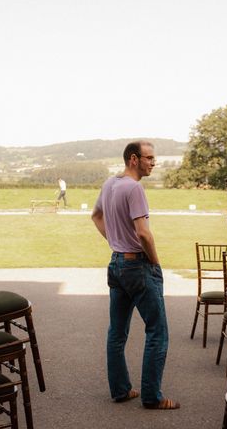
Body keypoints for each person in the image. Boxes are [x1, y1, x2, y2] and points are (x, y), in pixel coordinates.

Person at [91, 140, 180, 410]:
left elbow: (96, 216)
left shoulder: (109, 184)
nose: (153, 163)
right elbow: (143, 233)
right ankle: (152, 397)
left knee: (117, 332)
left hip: (117, 264)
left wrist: (114, 243)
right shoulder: (134, 188)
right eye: (149, 158)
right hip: (137, 266)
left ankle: (120, 390)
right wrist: (154, 261)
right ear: (133, 159)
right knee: (158, 332)